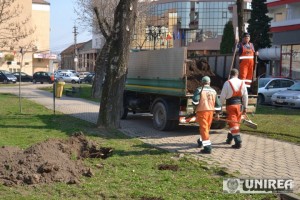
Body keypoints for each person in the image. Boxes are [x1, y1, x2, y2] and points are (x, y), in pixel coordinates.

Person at [219, 69, 248, 149]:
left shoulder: (227, 83)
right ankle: (229, 139)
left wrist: (219, 107)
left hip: (231, 106)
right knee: (236, 124)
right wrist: (245, 107)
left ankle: (238, 142)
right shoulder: (242, 82)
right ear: (237, 74)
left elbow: (222, 97)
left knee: (233, 124)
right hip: (240, 106)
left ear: (230, 74)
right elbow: (245, 96)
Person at [192, 76, 222, 154]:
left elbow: (195, 100)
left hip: (202, 111)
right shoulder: (214, 91)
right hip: (211, 112)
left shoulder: (199, 89)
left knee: (204, 129)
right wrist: (217, 114)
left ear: (202, 82)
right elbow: (218, 104)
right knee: (207, 128)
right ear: (209, 82)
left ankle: (207, 147)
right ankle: (201, 141)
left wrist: (194, 106)